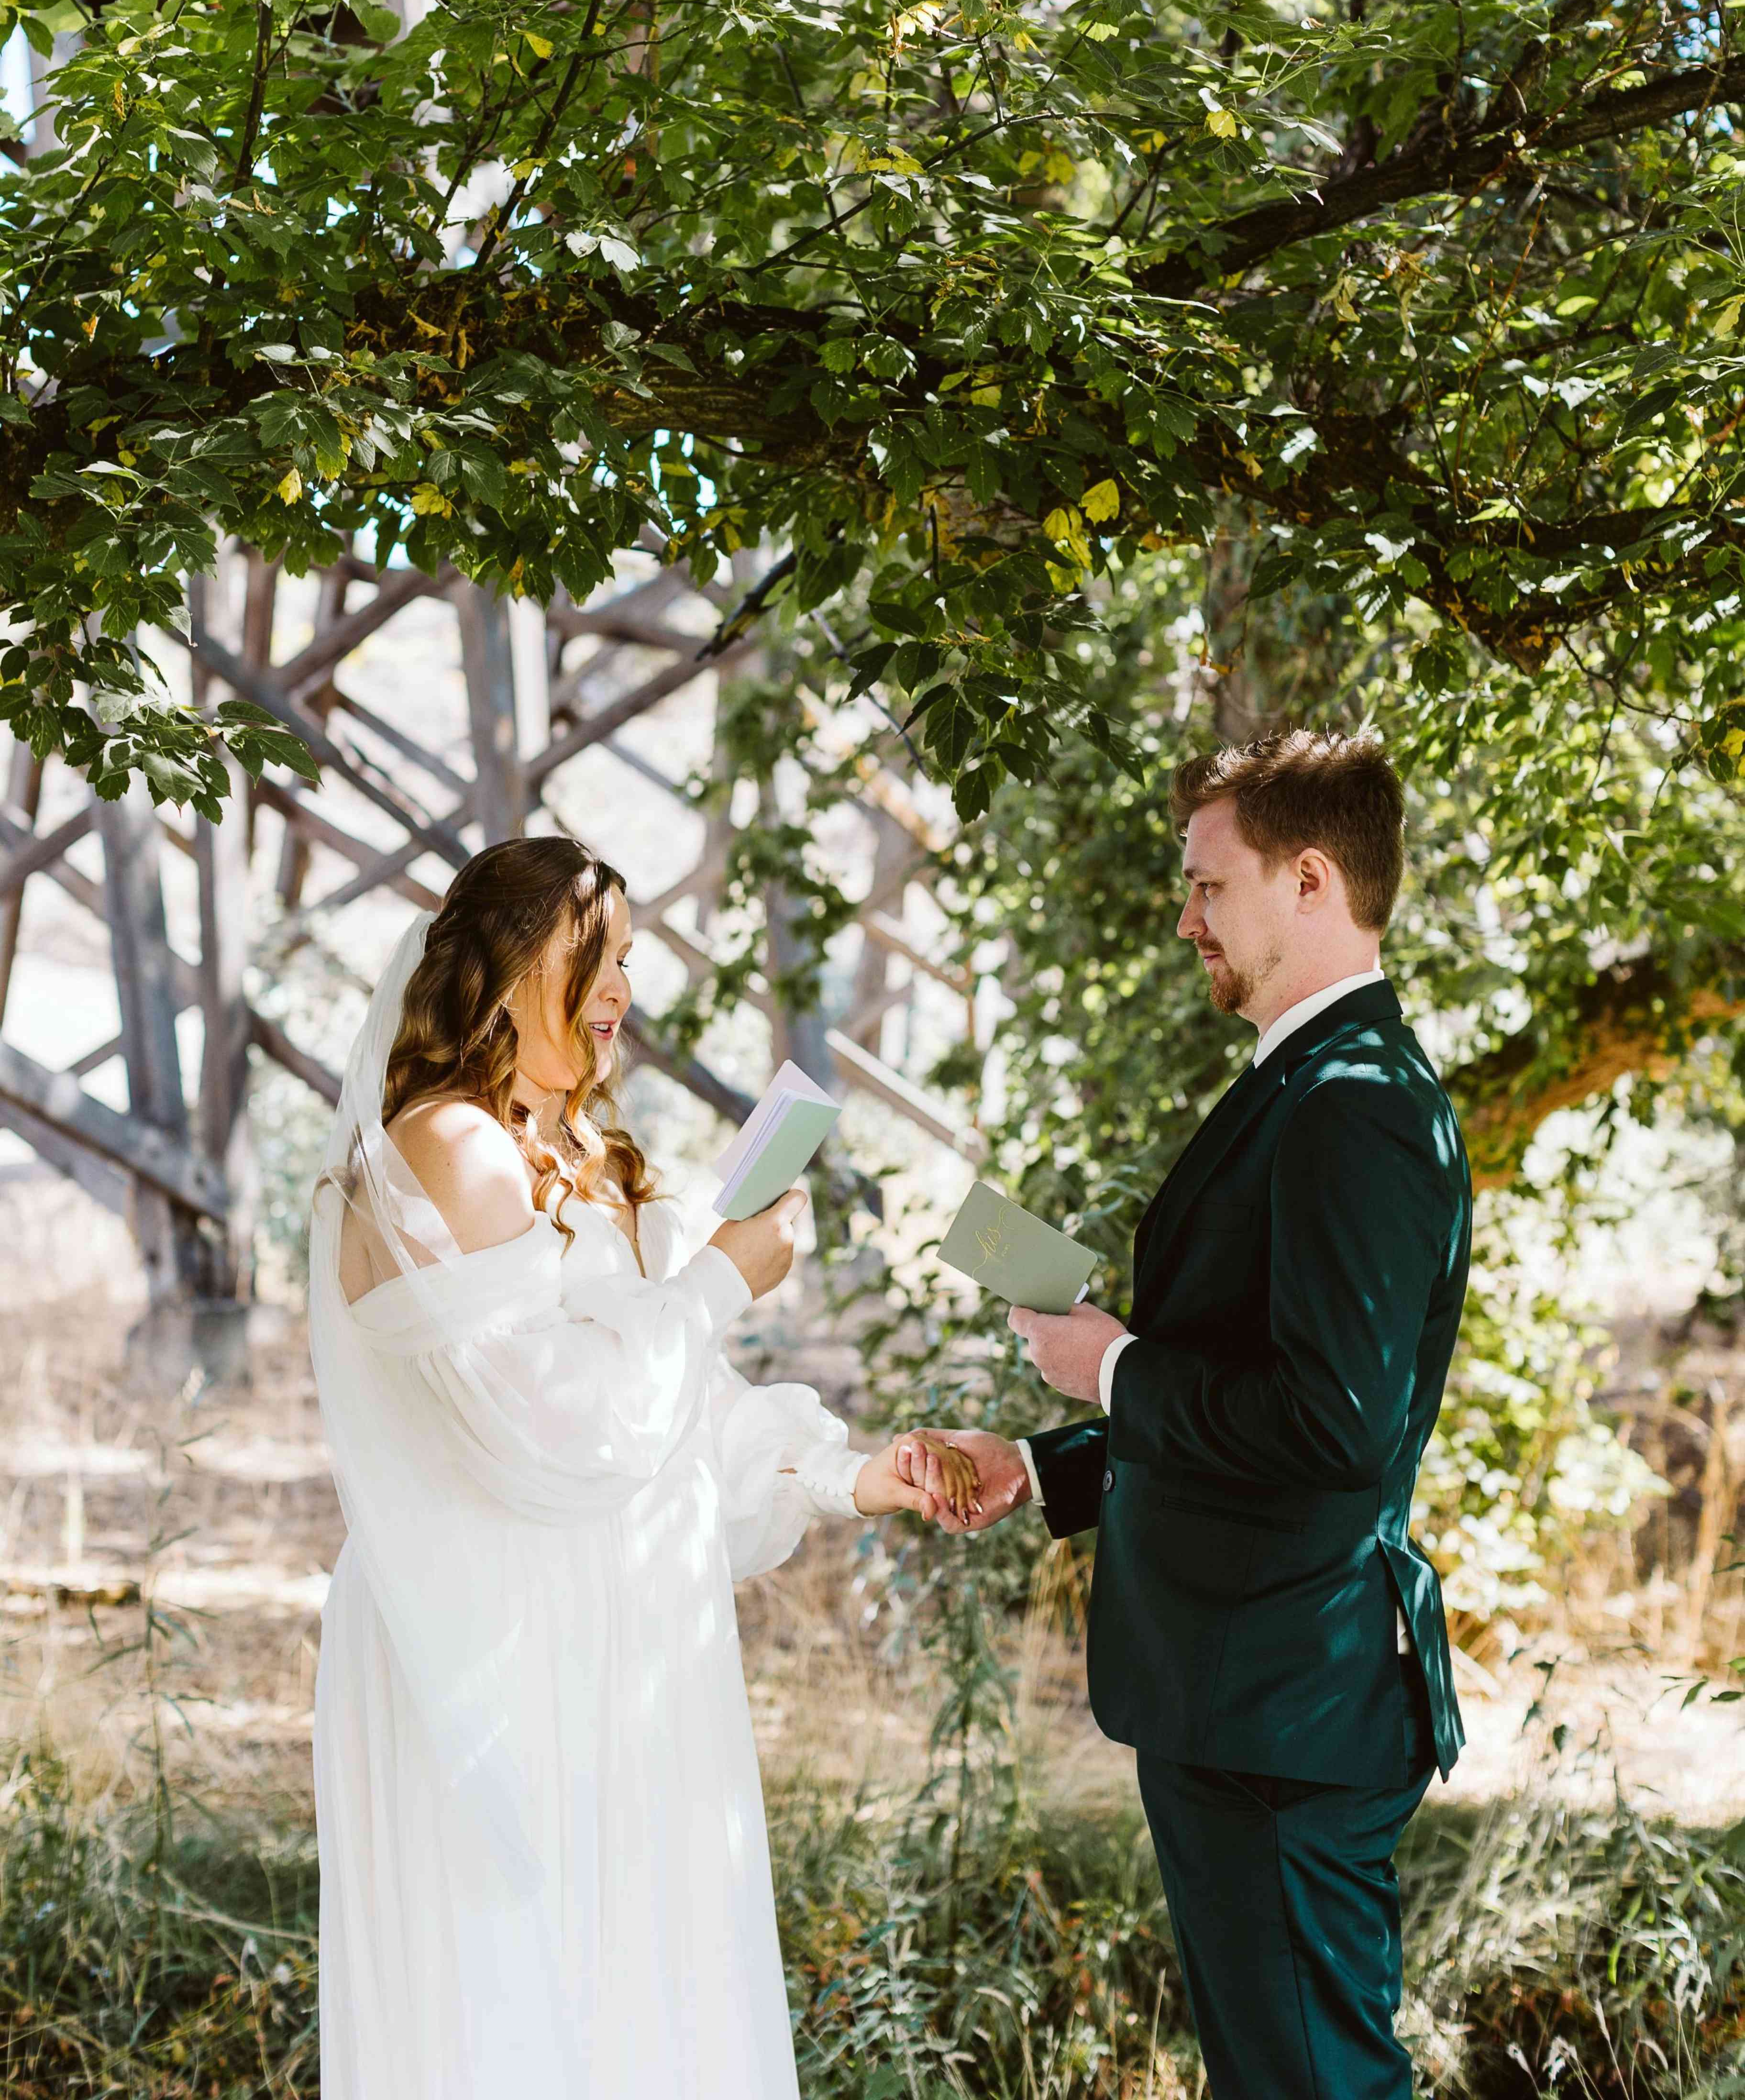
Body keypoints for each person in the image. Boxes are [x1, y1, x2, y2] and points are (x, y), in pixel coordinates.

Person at [309, 836, 968, 2100]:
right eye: (593, 957)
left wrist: (847, 1475)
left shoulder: (584, 1152)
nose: (620, 989)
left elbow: (674, 1417)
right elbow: (549, 1425)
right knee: (518, 2004)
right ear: (505, 971)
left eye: (628, 961)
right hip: (495, 1641)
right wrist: (725, 1275)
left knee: (645, 2008)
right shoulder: (450, 1144)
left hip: (625, 1635)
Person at [899, 729, 1473, 2100]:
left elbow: (1334, 1426)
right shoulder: (1306, 1086)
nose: (1186, 918)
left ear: (1312, 883)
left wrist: (1109, 1369)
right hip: (1246, 1695)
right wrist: (1041, 1471)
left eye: (1211, 886)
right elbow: (1254, 1395)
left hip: (1282, 1698)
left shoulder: (1356, 1109)